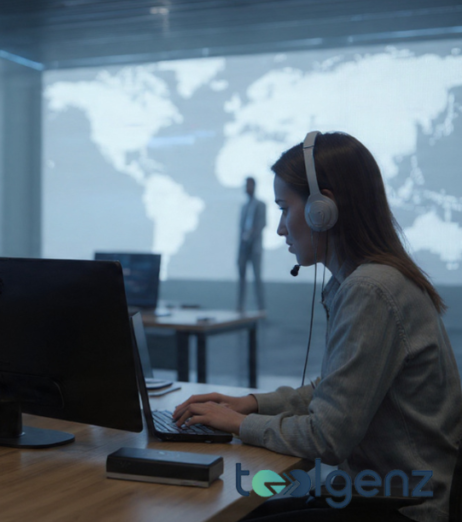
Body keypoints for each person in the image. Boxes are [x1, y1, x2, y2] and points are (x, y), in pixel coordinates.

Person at [173, 132, 462, 522]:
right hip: (374, 494)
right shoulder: (362, 282)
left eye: (283, 208)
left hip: (402, 508)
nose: (279, 229)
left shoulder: (371, 290)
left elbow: (328, 436)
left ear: (321, 208)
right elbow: (338, 393)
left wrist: (239, 423)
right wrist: (253, 404)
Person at [237, 176, 266, 311]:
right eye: (245, 185)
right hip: (243, 248)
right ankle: (240, 307)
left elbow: (261, 224)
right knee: (241, 279)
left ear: (254, 186)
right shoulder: (244, 207)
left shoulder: (260, 205)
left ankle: (261, 308)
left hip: (254, 248)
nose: (247, 188)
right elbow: (241, 229)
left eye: (249, 185)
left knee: (257, 278)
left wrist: (250, 237)